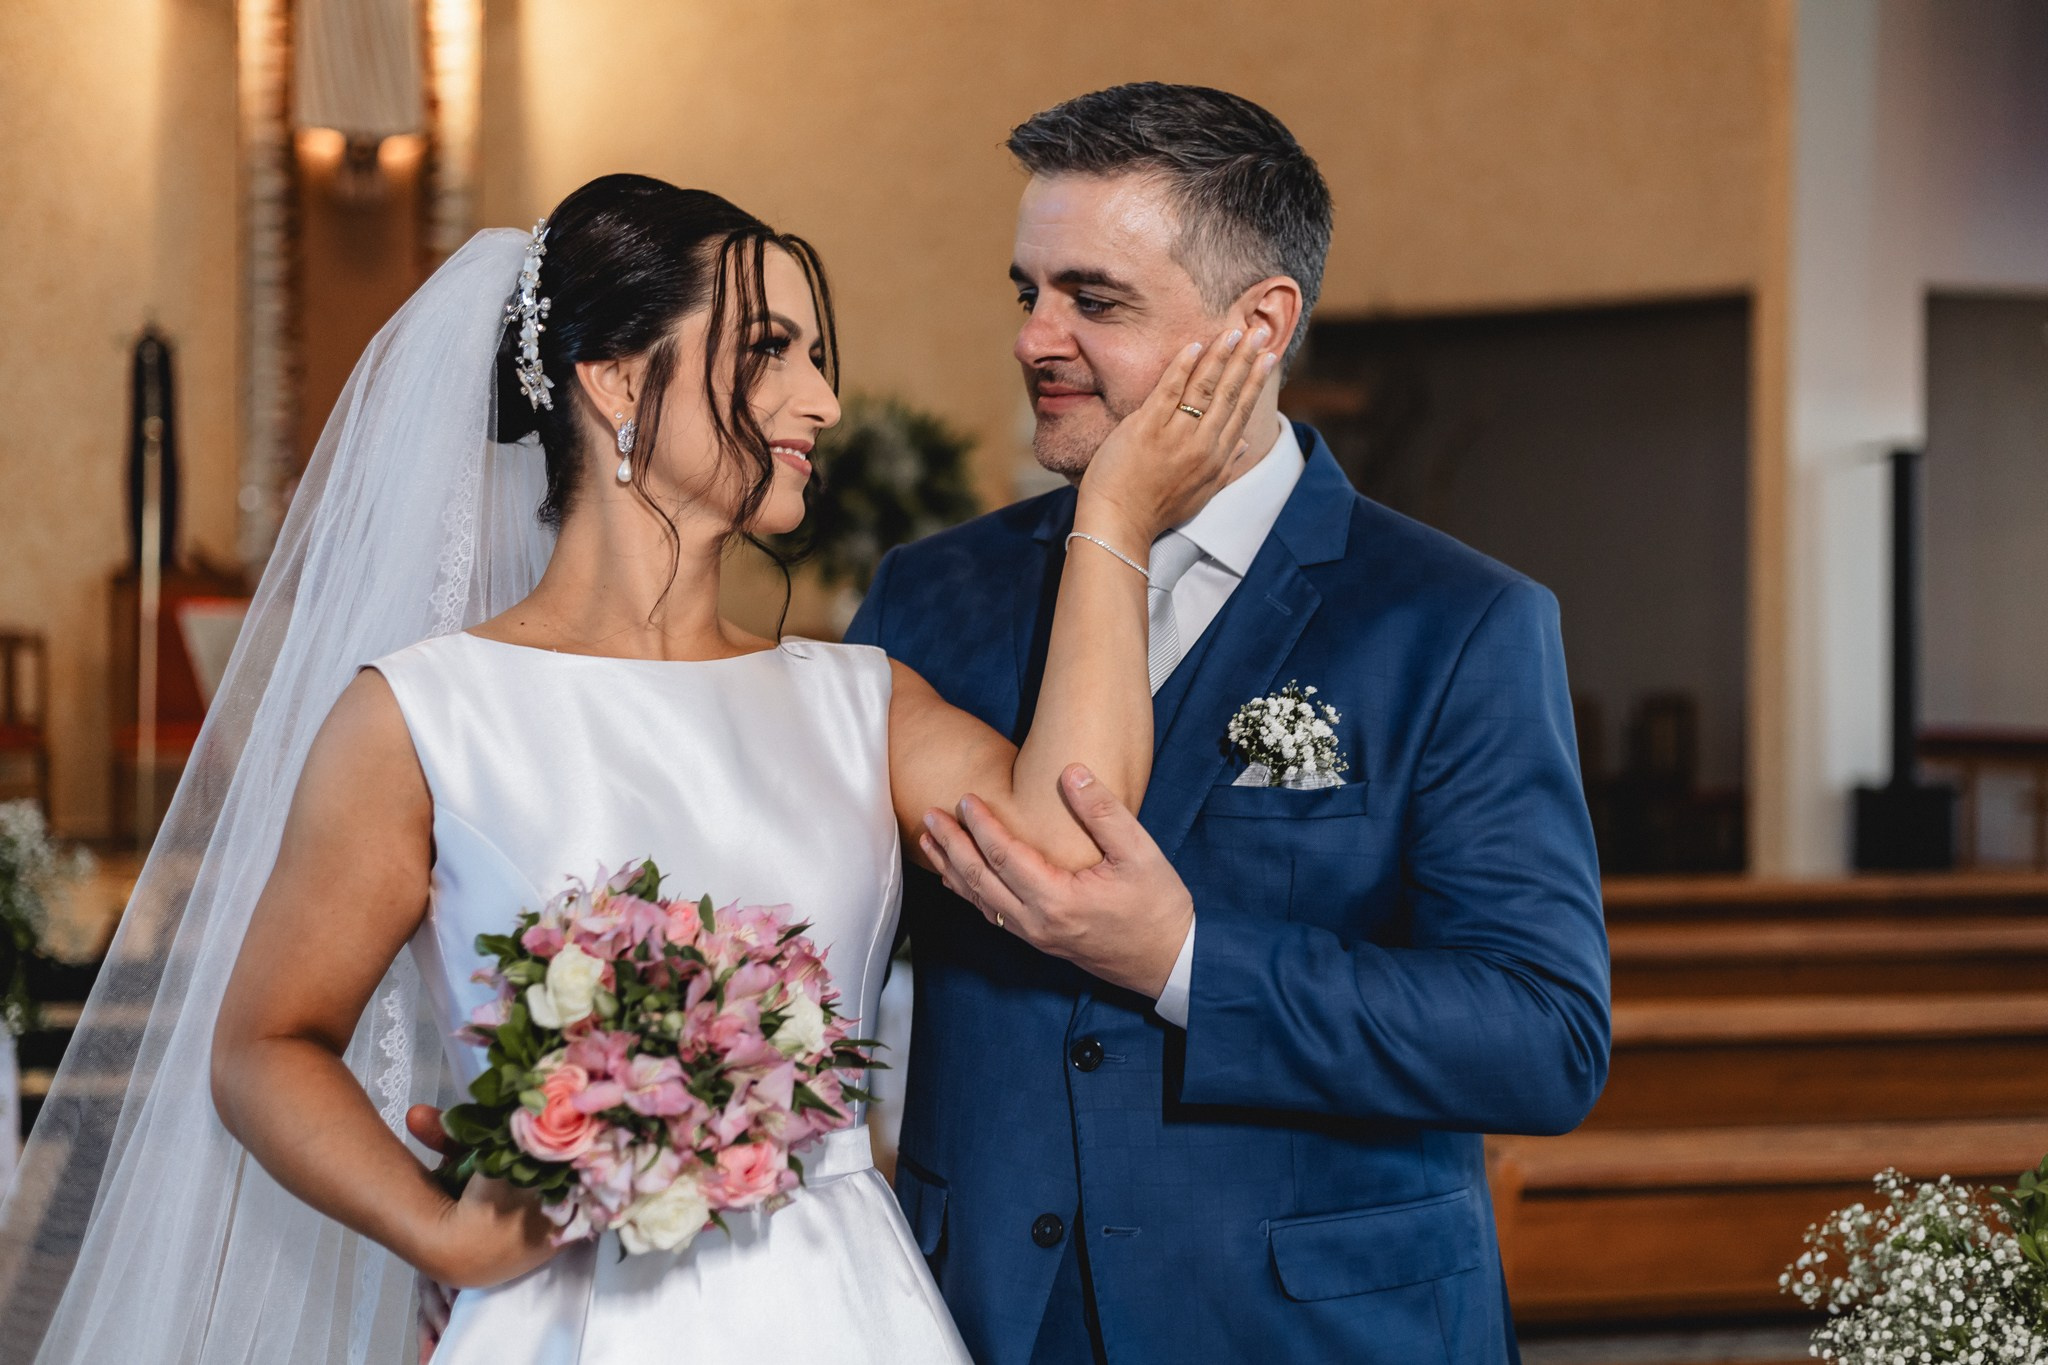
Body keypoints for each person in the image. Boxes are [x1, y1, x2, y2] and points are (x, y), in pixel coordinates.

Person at [1, 174, 1276, 1363]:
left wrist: (1113, 517)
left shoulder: (860, 701)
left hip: (837, 1312)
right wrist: (439, 1232)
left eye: (816, 358)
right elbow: (265, 1046)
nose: (821, 402)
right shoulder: (429, 714)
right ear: (613, 380)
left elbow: (1068, 844)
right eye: (770, 351)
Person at [847, 83, 1612, 1365]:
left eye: (1093, 300)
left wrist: (1185, 956)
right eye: (1025, 292)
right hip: (975, 1318)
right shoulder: (931, 597)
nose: (1036, 338)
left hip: (1310, 1328)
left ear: (1258, 325)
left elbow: (1540, 1040)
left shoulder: (1454, 623)